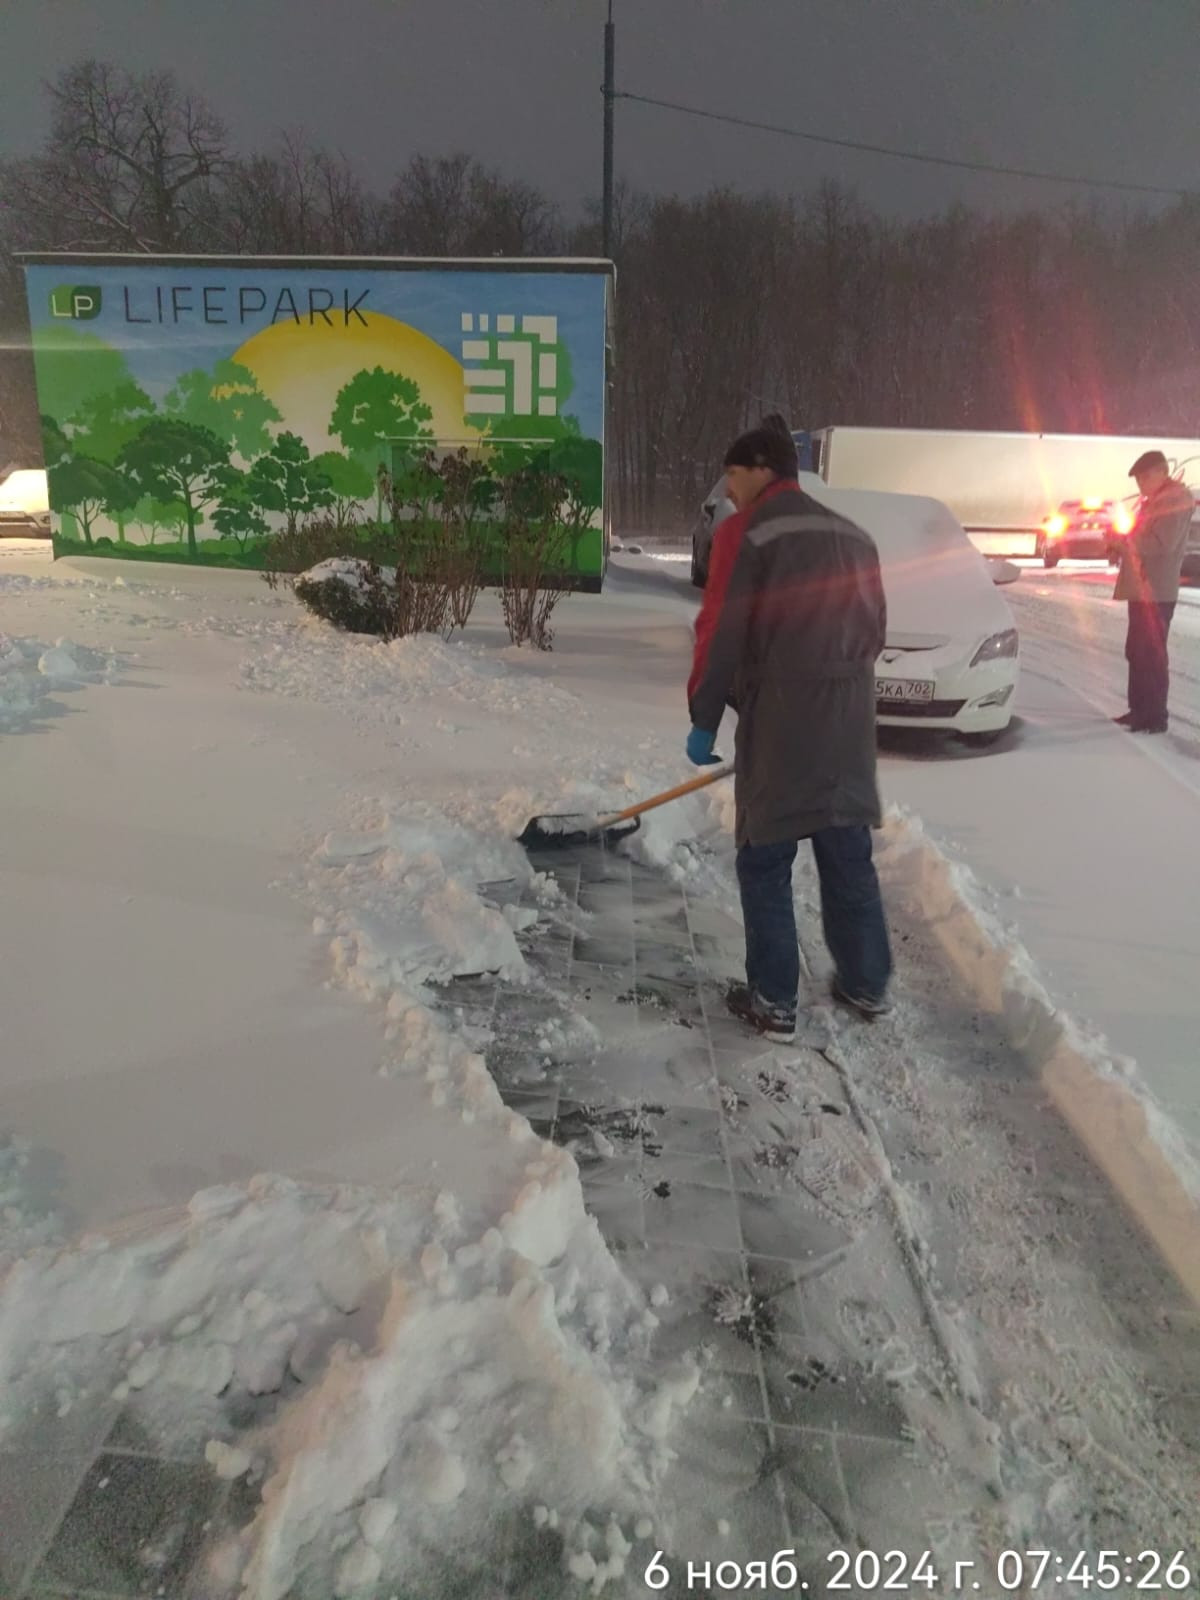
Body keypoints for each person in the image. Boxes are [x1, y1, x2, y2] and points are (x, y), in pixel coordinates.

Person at [686, 418, 892, 1042]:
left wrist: (704, 716)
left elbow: (721, 630)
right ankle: (866, 982)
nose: (728, 488)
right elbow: (876, 631)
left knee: (766, 858)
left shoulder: (747, 533)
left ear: (761, 470)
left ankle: (774, 1000)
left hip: (781, 720)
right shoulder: (853, 535)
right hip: (848, 720)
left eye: (733, 474)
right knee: (846, 850)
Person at [1113, 450, 1194, 735]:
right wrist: (1122, 541)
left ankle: (1154, 716)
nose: (1141, 484)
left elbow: (1161, 545)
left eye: (1145, 477)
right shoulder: (1157, 501)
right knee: (1137, 651)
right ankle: (1140, 710)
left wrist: (1125, 543)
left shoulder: (1173, 501)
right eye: (1138, 480)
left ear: (1162, 472)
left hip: (1156, 591)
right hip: (1145, 589)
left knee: (1151, 655)